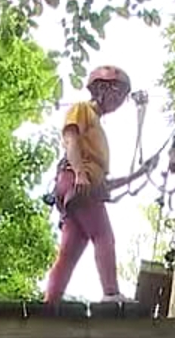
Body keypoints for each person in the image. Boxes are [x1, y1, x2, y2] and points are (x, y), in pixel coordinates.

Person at [42, 64, 144, 304]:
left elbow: (102, 184)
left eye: (122, 96)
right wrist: (79, 173)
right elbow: (70, 139)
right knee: (103, 235)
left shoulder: (98, 127)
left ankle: (50, 303)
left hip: (82, 185)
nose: (119, 100)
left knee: (70, 251)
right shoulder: (82, 110)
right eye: (116, 92)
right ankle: (111, 293)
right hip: (76, 181)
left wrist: (137, 175)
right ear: (100, 89)